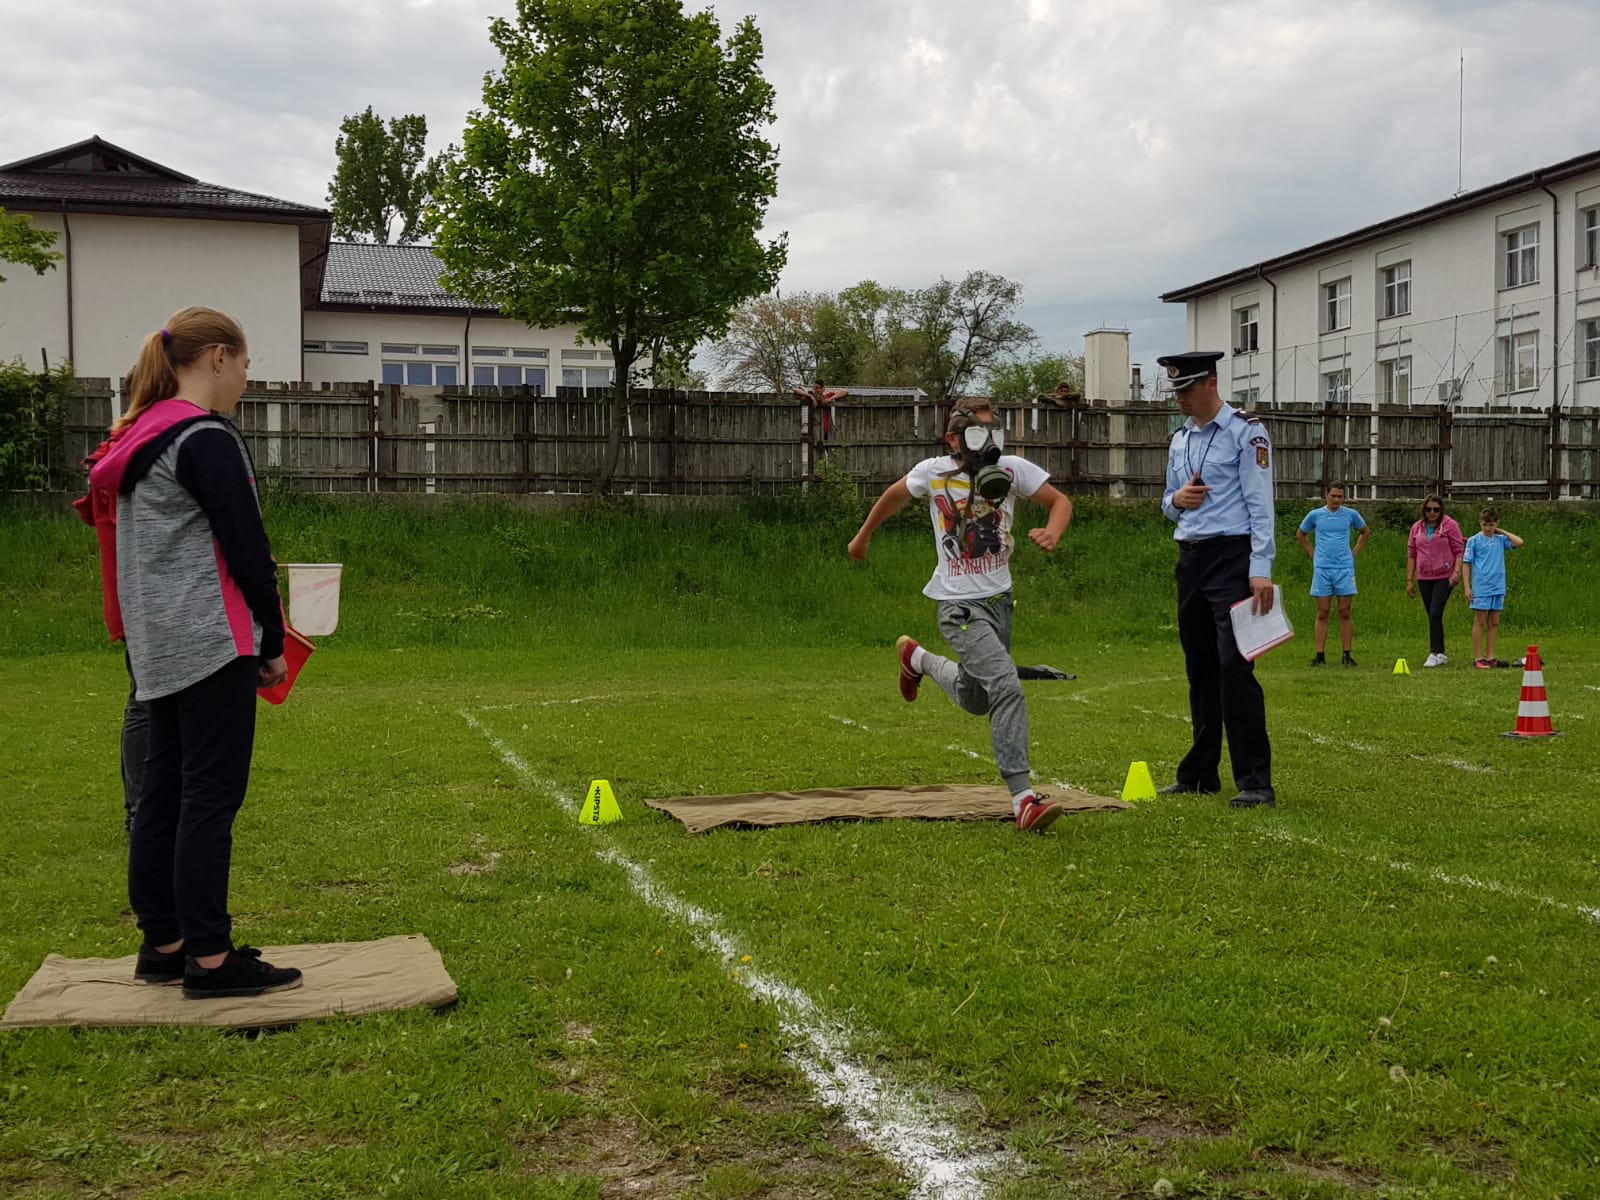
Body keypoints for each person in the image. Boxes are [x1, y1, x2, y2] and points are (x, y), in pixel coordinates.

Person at [85, 306, 302, 999]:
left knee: (164, 793)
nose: (246, 377)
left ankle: (165, 943)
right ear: (216, 357)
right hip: (212, 640)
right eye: (245, 363)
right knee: (210, 797)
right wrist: (272, 640)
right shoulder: (204, 436)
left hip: (156, 643)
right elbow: (247, 546)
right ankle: (210, 958)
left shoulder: (139, 434)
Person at [847, 399, 1074, 832]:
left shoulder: (1011, 470)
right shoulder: (932, 472)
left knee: (976, 699)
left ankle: (917, 659)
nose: (985, 443)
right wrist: (862, 538)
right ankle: (1023, 799)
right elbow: (893, 497)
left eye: (992, 433)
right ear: (953, 439)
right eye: (975, 434)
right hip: (958, 607)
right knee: (1006, 685)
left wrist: (1053, 532)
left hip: (1000, 603)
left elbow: (1059, 501)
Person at [1156, 351, 1277, 809]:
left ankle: (1255, 780)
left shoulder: (1247, 433)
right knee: (1200, 667)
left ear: (1211, 383)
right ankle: (1200, 773)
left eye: (1187, 389)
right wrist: (1177, 501)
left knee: (1234, 666)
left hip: (1233, 557)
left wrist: (1260, 568)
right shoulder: (1180, 439)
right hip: (1191, 558)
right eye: (1175, 390)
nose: (1180, 398)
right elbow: (1167, 500)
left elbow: (1261, 503)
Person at [76, 431, 151, 833]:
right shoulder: (139, 453)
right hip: (148, 601)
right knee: (146, 704)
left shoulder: (113, 456)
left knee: (144, 702)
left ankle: (142, 810)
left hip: (129, 600)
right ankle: (141, 813)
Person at [1295, 482, 1369, 667]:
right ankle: (1320, 654)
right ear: (1326, 495)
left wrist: (1354, 552)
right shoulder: (1315, 515)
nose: (1336, 500)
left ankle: (1347, 654)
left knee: (1345, 611)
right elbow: (1301, 534)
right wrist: (1312, 553)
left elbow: (1365, 532)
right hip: (1323, 568)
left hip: (1344, 568)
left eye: (1340, 496)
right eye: (1333, 496)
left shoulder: (1351, 515)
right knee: (1323, 612)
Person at [1405, 494, 1465, 668]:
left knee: (1435, 611)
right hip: (1424, 576)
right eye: (1428, 509)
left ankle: (1434, 652)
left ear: (1441, 510)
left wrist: (1456, 572)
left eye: (1436, 510)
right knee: (1432, 614)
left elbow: (1459, 550)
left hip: (1444, 575)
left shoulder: (1450, 525)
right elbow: (1412, 554)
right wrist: (1409, 579)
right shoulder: (1417, 528)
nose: (1432, 513)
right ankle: (1441, 652)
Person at [1462, 506, 1525, 669]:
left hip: (1498, 586)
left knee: (1494, 622)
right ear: (1480, 523)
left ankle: (1491, 656)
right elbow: (1466, 563)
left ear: (1496, 524)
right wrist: (1467, 586)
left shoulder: (1500, 540)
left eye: (1491, 525)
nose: (1488, 528)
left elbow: (1519, 542)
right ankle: (1478, 657)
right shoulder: (1474, 540)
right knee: (1480, 621)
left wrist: (1501, 531)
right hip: (1481, 587)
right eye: (1485, 525)